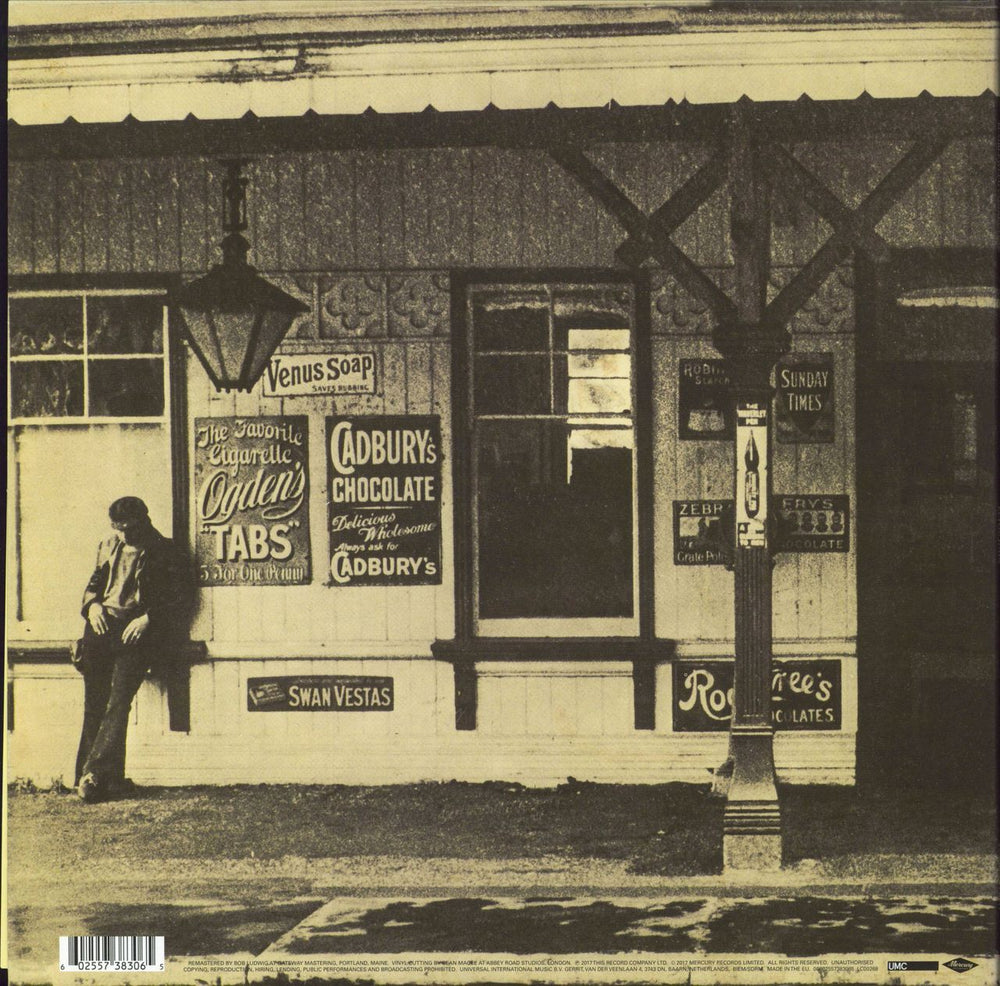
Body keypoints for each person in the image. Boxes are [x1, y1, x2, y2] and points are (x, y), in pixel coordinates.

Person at [74, 496, 190, 803]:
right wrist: (92, 605)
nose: (123, 534)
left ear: (144, 521)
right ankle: (103, 781)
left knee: (118, 702)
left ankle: (92, 775)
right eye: (117, 527)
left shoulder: (166, 550)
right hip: (100, 629)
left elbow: (180, 596)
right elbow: (93, 584)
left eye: (128, 528)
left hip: (136, 633)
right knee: (94, 703)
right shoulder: (109, 545)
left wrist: (148, 619)